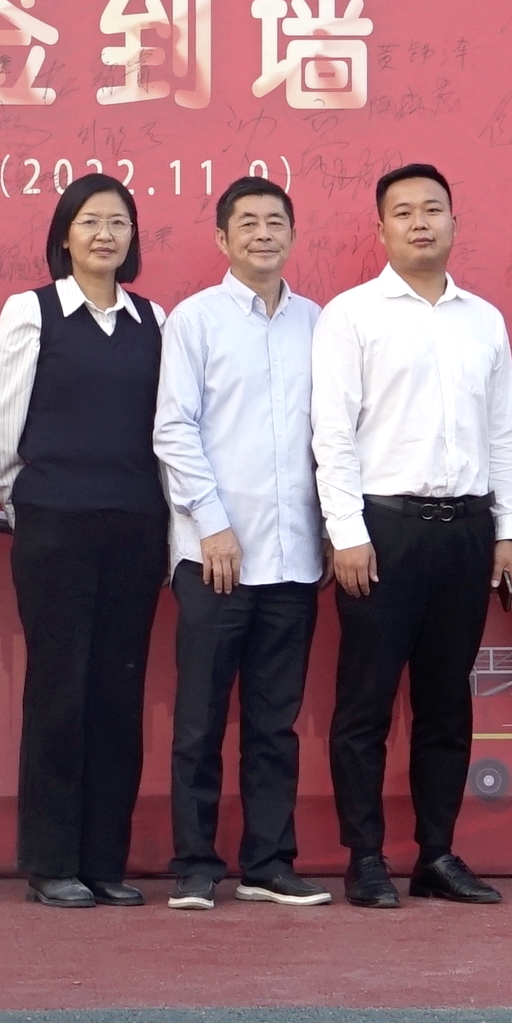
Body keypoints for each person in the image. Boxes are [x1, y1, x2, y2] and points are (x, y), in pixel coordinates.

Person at [311, 163, 512, 909]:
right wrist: (346, 532)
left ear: (455, 222)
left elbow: (503, 432)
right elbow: (332, 433)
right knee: (364, 705)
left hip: (466, 532)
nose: (420, 222)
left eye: (433, 209)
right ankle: (365, 858)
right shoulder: (351, 315)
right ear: (381, 229)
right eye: (403, 212)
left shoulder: (484, 320)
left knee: (446, 706)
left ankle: (437, 854)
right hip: (383, 532)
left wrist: (508, 528)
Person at [0, 174, 169, 908]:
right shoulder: (33, 311)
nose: (104, 235)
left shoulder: (154, 319)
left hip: (135, 526)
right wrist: (26, 499)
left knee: (119, 693)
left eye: (118, 222)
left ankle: (104, 860)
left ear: (133, 237)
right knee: (60, 690)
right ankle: (52, 860)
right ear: (64, 235)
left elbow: (165, 433)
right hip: (54, 525)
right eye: (89, 221)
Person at [151, 178, 334, 911]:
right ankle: (195, 864)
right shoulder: (195, 320)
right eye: (247, 222)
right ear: (222, 239)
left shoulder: (319, 323)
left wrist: (332, 529)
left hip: (294, 557)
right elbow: (174, 428)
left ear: (293, 234)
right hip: (215, 555)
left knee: (274, 724)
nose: (263, 233)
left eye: (275, 221)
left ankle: (268, 863)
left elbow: (333, 434)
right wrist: (212, 523)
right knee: (199, 720)